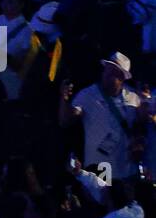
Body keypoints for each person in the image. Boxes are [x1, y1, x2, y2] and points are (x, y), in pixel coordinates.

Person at [59, 53, 144, 182]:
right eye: (107, 69)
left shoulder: (134, 98)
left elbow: (141, 127)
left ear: (122, 77)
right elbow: (65, 120)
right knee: (104, 201)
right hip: (100, 171)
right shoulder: (87, 94)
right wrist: (64, 98)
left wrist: (139, 144)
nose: (107, 74)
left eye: (113, 72)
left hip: (128, 171)